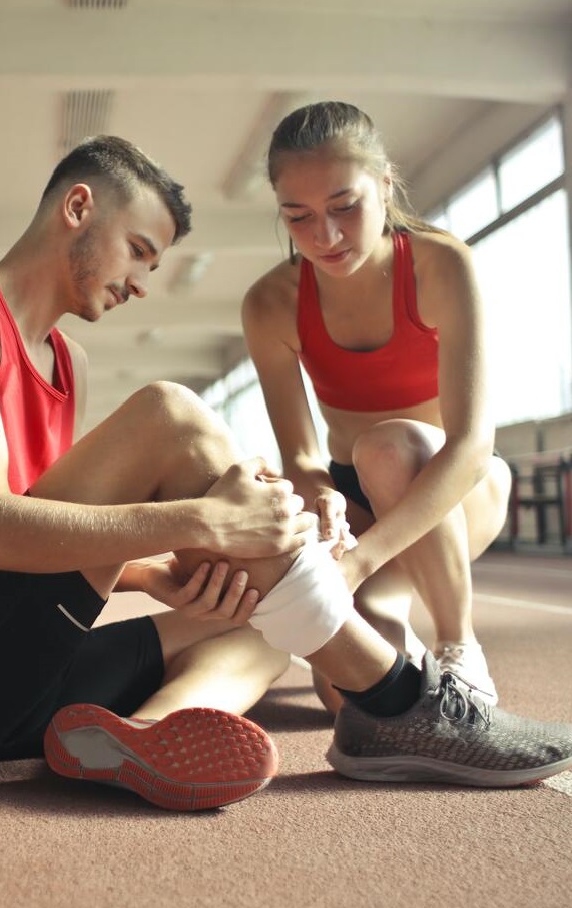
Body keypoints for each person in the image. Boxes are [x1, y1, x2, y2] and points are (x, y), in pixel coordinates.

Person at [0, 135, 572, 814]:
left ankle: (140, 734)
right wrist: (201, 523)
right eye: (139, 250)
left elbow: (40, 542)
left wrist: (160, 574)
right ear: (78, 207)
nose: (142, 284)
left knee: (264, 614)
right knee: (169, 414)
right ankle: (400, 699)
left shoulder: (67, 362)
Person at [242, 101, 513, 714]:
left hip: (455, 487)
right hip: (357, 500)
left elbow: (471, 446)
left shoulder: (443, 266)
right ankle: (395, 624)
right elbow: (304, 454)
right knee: (349, 696)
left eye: (345, 207)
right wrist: (323, 500)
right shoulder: (271, 304)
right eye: (298, 216)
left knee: (389, 447)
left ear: (385, 185)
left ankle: (458, 645)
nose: (325, 236)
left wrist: (360, 562)